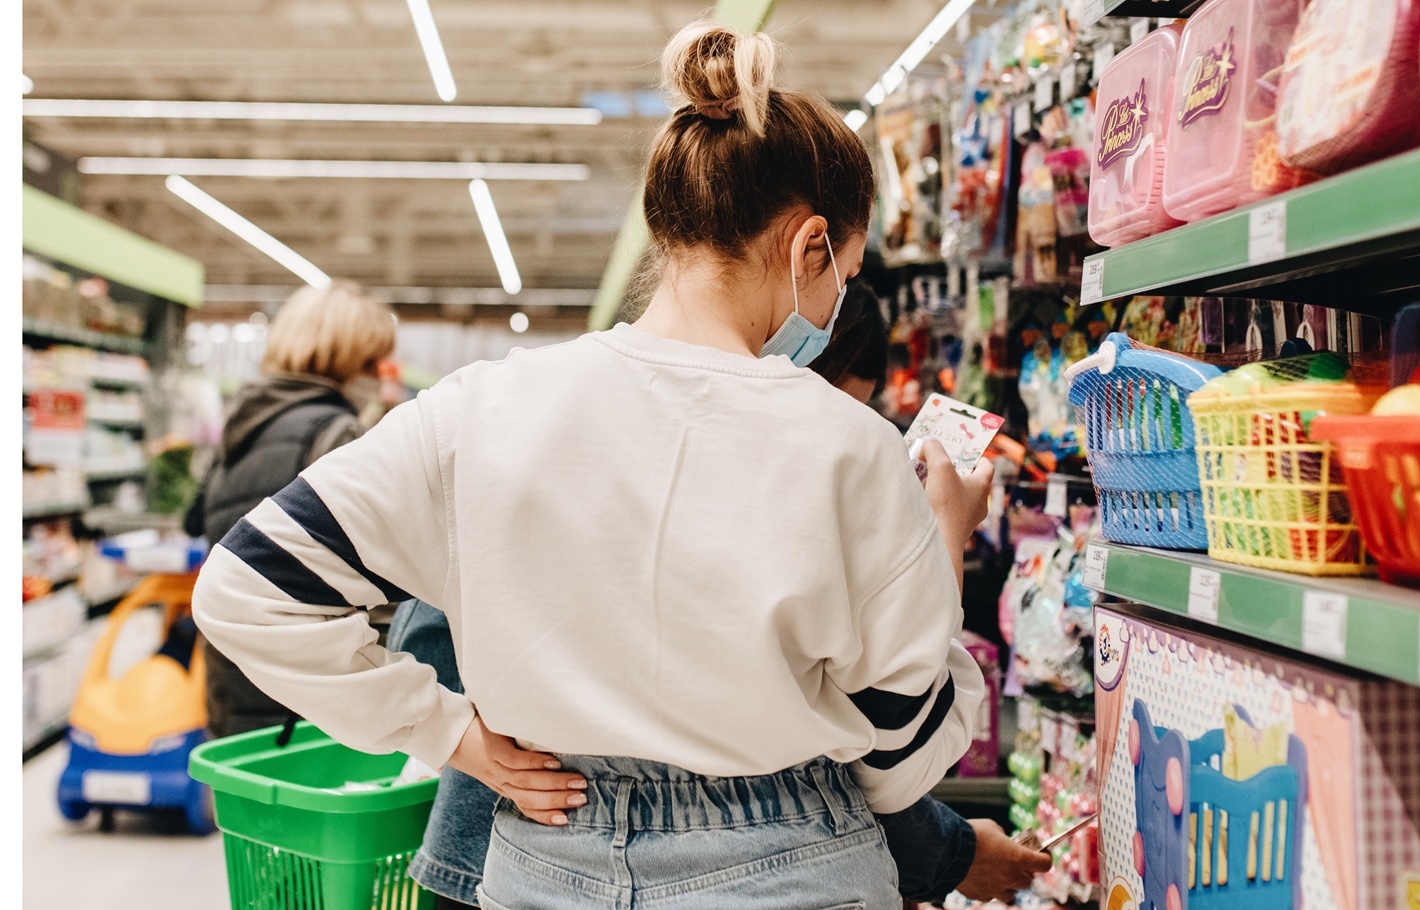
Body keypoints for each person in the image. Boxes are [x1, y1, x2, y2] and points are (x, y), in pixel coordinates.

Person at [194, 21, 993, 910]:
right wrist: (945, 540)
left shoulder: (479, 409)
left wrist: (449, 734)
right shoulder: (849, 444)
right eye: (844, 269)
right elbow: (897, 758)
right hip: (787, 865)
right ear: (809, 247)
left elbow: (247, 590)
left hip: (544, 854)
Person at [384, 278, 1049, 910]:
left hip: (512, 856)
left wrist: (464, 735)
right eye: (836, 406)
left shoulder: (567, 429)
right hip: (582, 848)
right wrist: (941, 537)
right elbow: (849, 755)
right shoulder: (738, 501)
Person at [183, 280, 394, 739]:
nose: (378, 378)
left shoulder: (241, 425)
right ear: (340, 358)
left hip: (232, 681)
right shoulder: (338, 435)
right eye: (370, 363)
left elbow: (195, 521)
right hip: (307, 701)